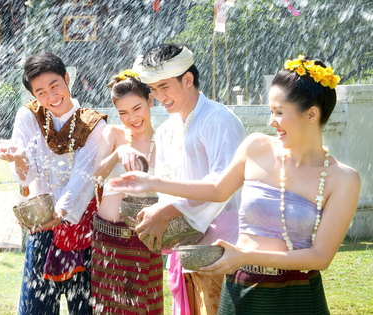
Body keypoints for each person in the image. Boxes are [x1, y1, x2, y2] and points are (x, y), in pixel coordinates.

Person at [108, 56, 358, 314]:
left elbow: (320, 257)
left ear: (312, 114)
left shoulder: (343, 179)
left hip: (298, 293)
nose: (271, 122)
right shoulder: (256, 147)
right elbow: (217, 189)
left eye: (279, 113)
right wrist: (153, 181)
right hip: (240, 288)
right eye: (271, 111)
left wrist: (244, 256)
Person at [130, 43, 246, 314]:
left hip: (224, 244)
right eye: (154, 89)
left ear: (188, 79)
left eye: (165, 87)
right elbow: (168, 187)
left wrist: (168, 210)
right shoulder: (167, 129)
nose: (159, 96)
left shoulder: (218, 119)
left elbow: (223, 185)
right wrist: (158, 213)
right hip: (187, 246)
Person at [0, 53, 107, 315]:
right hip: (43, 221)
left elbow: (83, 176)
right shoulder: (29, 116)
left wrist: (60, 215)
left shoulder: (92, 123)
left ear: (68, 79)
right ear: (34, 95)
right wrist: (20, 158)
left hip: (80, 223)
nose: (51, 96)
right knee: (36, 306)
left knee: (85, 306)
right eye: (41, 92)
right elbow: (26, 176)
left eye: (55, 85)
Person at [90, 69, 164, 314]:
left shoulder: (164, 140)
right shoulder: (113, 134)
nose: (132, 118)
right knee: (107, 309)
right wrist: (118, 153)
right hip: (107, 237)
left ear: (150, 101)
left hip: (144, 238)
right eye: (123, 112)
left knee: (144, 307)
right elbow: (96, 175)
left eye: (137, 108)